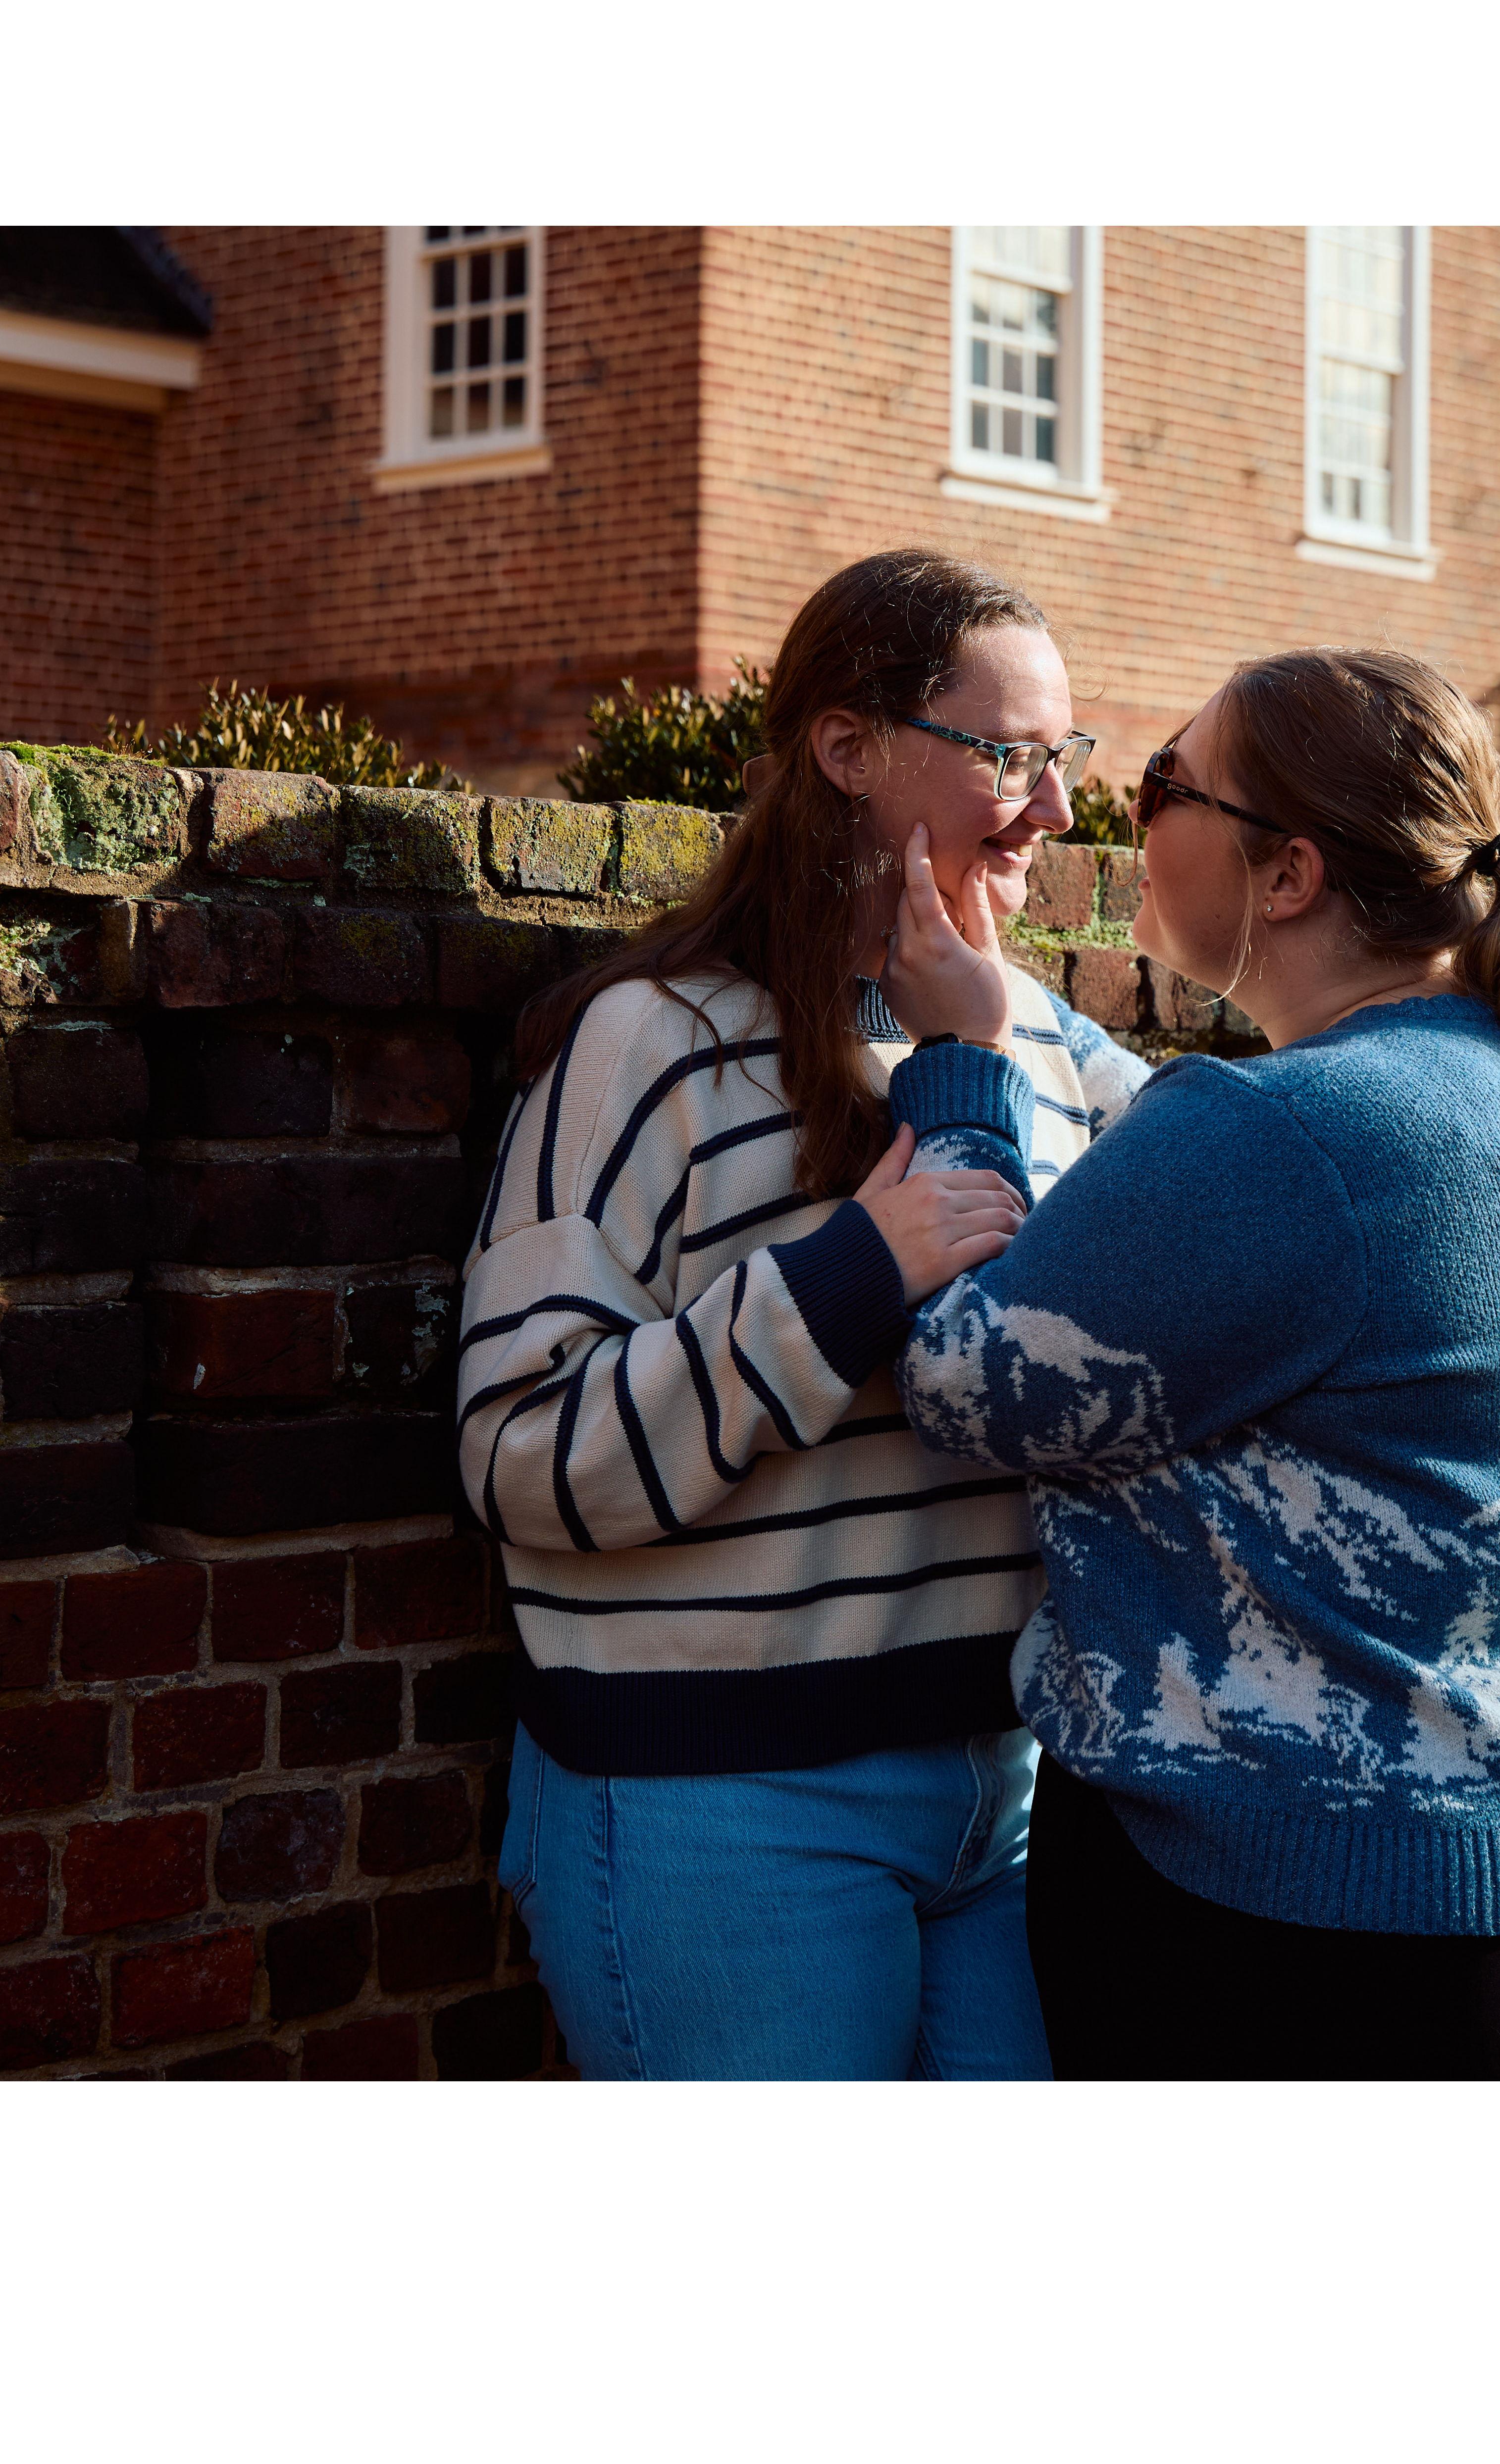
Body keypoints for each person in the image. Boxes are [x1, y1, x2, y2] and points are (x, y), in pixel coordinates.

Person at [879, 645, 1500, 2078]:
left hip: (1315, 1935)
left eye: (1164, 784)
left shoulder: (1288, 1132)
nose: (1117, 817)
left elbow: (960, 1380)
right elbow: (1222, 1227)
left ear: (1291, 873)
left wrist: (961, 1066)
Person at [457, 549, 1150, 2079]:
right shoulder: (649, 1044)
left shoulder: (1052, 1049)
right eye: (1011, 756)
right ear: (847, 748)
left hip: (1012, 1805)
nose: (1056, 809)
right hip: (726, 1812)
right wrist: (847, 1281)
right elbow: (520, 1455)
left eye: (1069, 758)